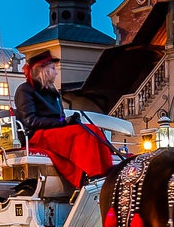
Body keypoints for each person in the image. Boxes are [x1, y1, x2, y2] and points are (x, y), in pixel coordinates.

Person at [12, 52, 117, 191]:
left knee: (92, 129)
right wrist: (63, 122)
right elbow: (30, 121)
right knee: (82, 134)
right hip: (37, 135)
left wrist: (67, 121)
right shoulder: (25, 90)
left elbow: (59, 117)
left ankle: (106, 170)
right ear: (43, 70)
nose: (56, 73)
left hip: (53, 130)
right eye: (53, 69)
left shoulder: (51, 91)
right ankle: (94, 174)